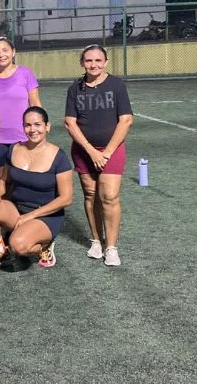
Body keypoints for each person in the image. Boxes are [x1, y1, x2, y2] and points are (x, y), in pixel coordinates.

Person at [0, 107, 74, 272]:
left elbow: (66, 198)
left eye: (37, 124)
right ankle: (1, 249)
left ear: (47, 126)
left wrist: (31, 215)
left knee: (19, 246)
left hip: (45, 215)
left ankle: (44, 246)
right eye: (28, 125)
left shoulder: (59, 157)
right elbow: (4, 180)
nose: (32, 129)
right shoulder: (14, 149)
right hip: (17, 210)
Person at [64, 44, 133, 266]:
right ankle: (96, 240)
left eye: (98, 60)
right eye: (89, 60)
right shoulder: (75, 88)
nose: (93, 65)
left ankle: (111, 247)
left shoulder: (116, 85)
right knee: (91, 194)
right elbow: (70, 123)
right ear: (82, 63)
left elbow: (126, 120)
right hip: (84, 151)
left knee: (109, 196)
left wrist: (107, 152)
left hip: (111, 150)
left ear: (105, 62)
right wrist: (91, 151)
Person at [0, 37, 41, 179]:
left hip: (23, 138)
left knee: (24, 182)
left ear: (13, 52)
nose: (1, 55)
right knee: (4, 183)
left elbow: (35, 103)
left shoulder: (25, 73)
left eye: (5, 50)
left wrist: (40, 129)